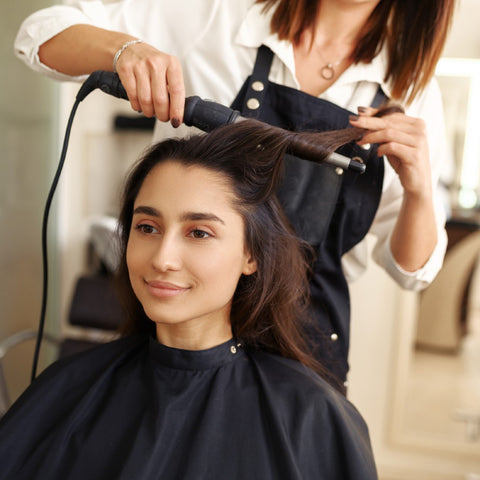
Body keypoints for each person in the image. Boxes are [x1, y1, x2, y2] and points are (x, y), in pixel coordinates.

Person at [14, 0, 454, 392]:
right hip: (179, 337)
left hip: (305, 357)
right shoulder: (220, 15)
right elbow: (39, 34)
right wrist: (124, 49)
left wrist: (418, 187)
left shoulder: (412, 91)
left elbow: (413, 272)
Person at [0, 120, 378, 480]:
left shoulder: (312, 415)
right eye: (147, 227)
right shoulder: (68, 389)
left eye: (198, 232)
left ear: (251, 255)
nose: (162, 258)